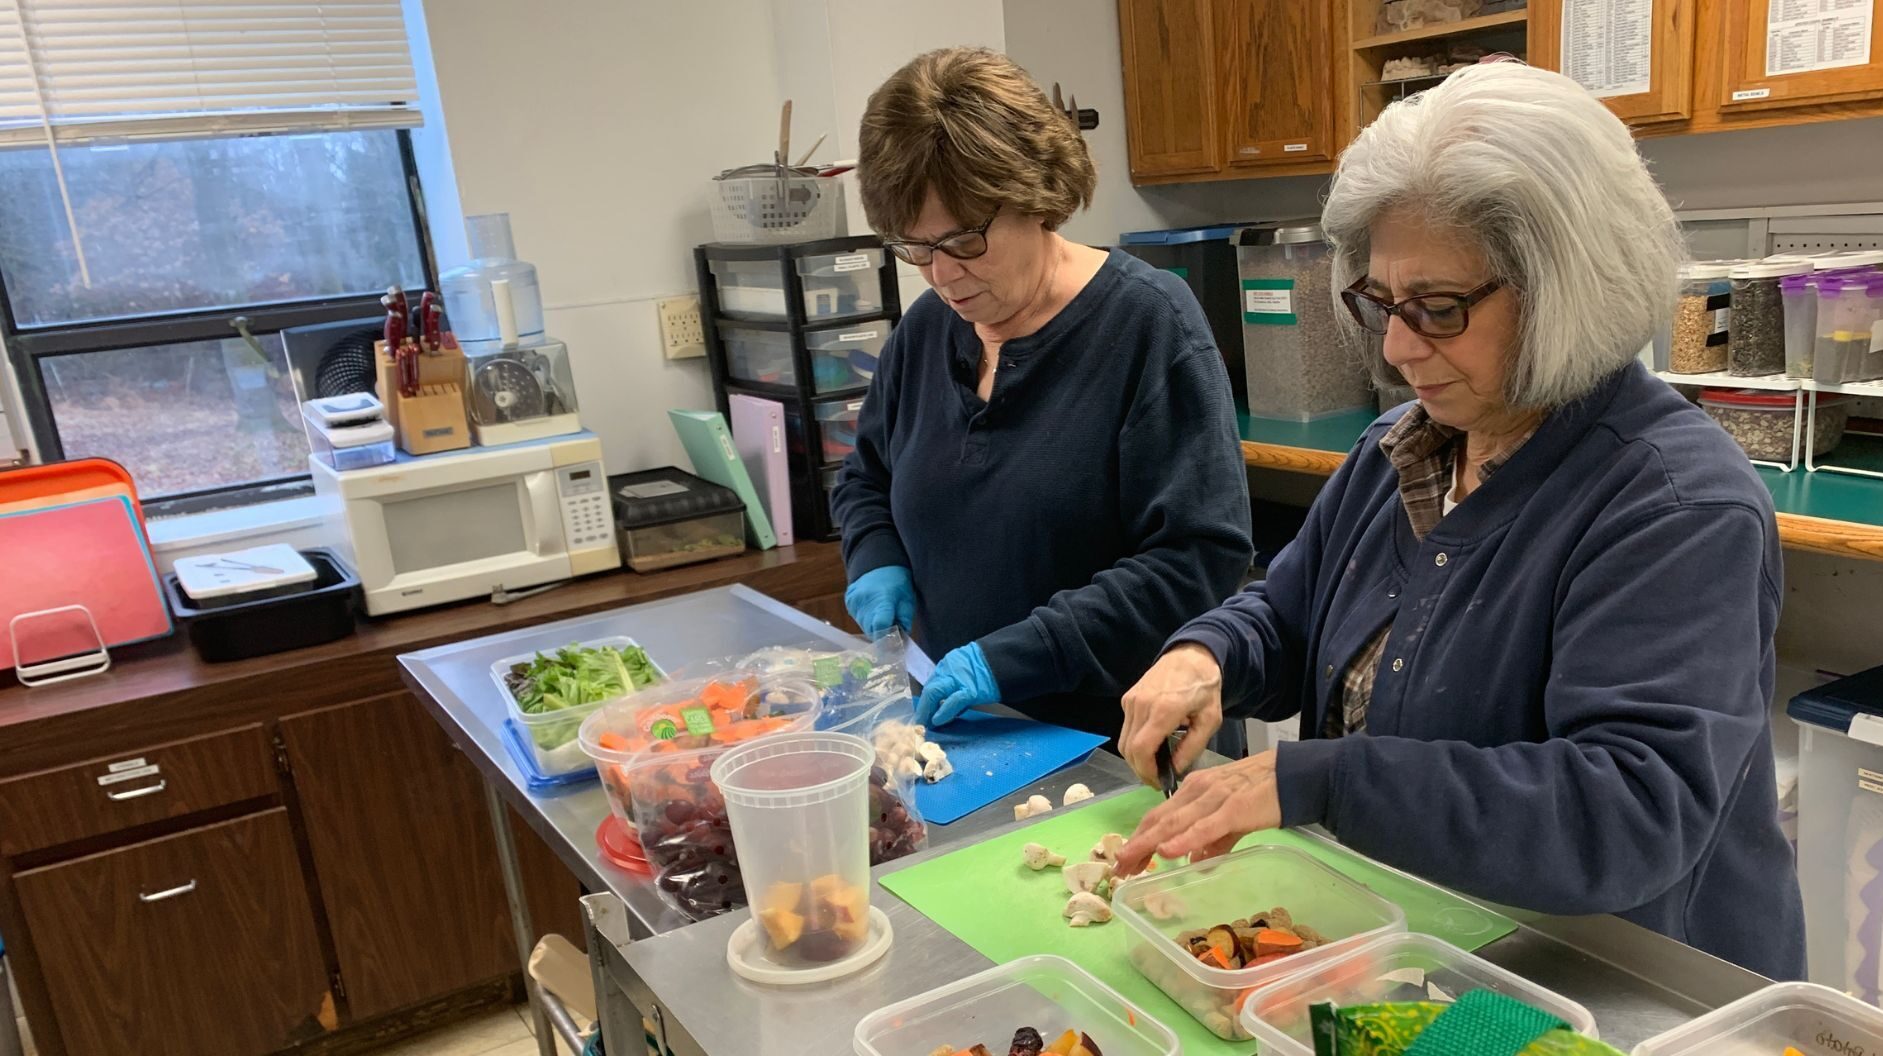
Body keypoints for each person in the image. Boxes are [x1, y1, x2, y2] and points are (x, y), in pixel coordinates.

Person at [1112, 61, 1804, 979]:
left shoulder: (1674, 507)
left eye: (1437, 309)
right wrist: (1207, 657)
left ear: (1569, 288)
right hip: (1433, 947)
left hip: (1620, 986)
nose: (1397, 349)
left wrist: (1315, 781)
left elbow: (1627, 813)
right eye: (1380, 303)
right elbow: (1289, 613)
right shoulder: (1406, 446)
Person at [832, 47, 1253, 740]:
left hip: (1119, 742)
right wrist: (874, 554)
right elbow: (865, 475)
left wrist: (1015, 658)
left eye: (964, 240)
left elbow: (1196, 560)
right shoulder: (929, 328)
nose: (941, 274)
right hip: (962, 729)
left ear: (1034, 196)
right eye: (915, 248)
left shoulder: (1149, 324)